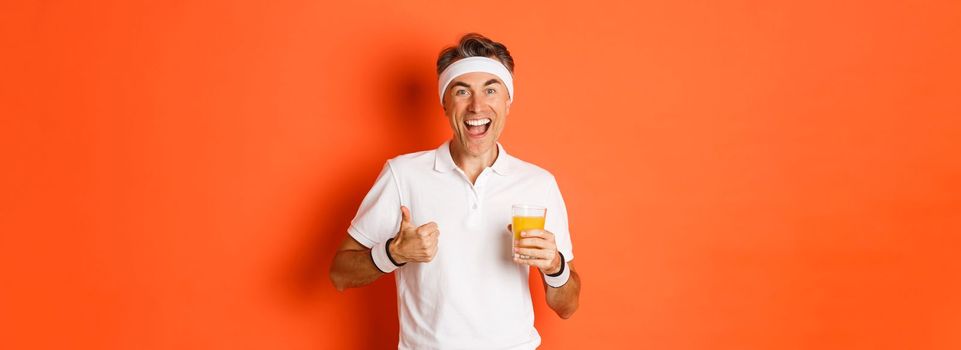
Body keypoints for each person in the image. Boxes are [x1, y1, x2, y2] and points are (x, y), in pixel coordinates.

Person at [329, 33, 581, 350]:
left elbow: (567, 306)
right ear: (445, 103)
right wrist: (393, 254)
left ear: (508, 101)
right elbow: (340, 274)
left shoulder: (538, 183)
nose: (477, 105)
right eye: (462, 91)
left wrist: (555, 267)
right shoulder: (402, 174)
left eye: (491, 89)